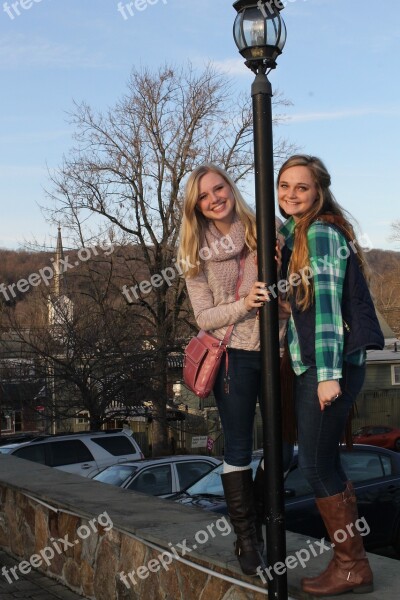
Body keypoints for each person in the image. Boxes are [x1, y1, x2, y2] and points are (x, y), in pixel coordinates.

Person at [277, 155, 384, 596]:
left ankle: (351, 564)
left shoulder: (318, 233)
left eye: (301, 187)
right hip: (327, 364)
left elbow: (325, 312)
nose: (290, 194)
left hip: (327, 368)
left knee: (317, 466)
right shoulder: (301, 233)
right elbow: (311, 302)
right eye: (284, 186)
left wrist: (326, 375)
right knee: (327, 464)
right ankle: (350, 563)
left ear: (318, 191)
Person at [178, 164, 289, 576]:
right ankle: (248, 540)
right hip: (232, 358)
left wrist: (285, 298)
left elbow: (293, 283)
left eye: (218, 188)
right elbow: (204, 316)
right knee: (239, 449)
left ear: (230, 187)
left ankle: (258, 520)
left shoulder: (265, 225)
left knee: (286, 448)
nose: (214, 199)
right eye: (204, 197)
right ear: (198, 207)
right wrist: (245, 304)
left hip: (278, 352)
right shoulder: (195, 249)